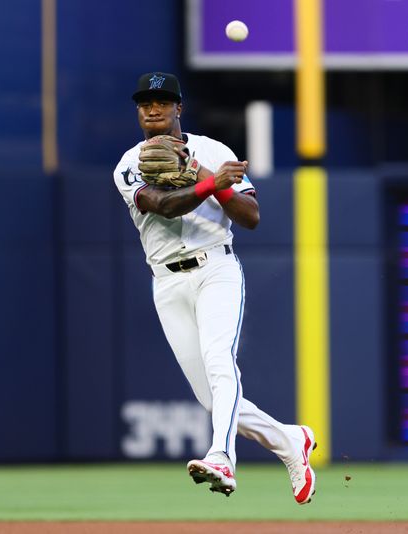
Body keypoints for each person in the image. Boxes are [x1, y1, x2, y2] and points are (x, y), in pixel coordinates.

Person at [113, 72, 317, 505]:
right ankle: (289, 440)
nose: (154, 109)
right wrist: (208, 183)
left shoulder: (213, 151)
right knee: (212, 398)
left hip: (215, 268)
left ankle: (222, 457)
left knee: (220, 363)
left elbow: (251, 217)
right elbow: (162, 205)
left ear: (178, 109)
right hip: (167, 283)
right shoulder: (128, 165)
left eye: (163, 102)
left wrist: (211, 178)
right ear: (138, 111)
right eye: (146, 103)